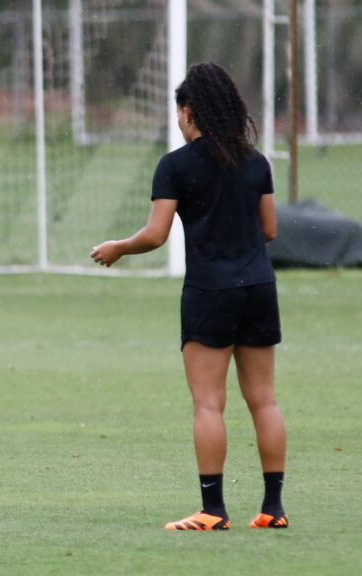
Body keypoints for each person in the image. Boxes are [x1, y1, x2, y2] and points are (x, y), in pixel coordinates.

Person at [90, 62, 287, 531]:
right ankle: (272, 508)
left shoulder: (175, 165)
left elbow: (157, 234)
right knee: (264, 399)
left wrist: (119, 247)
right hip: (259, 287)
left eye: (180, 111)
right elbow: (270, 230)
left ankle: (213, 511)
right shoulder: (256, 162)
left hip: (210, 292)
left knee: (208, 403)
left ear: (190, 112)